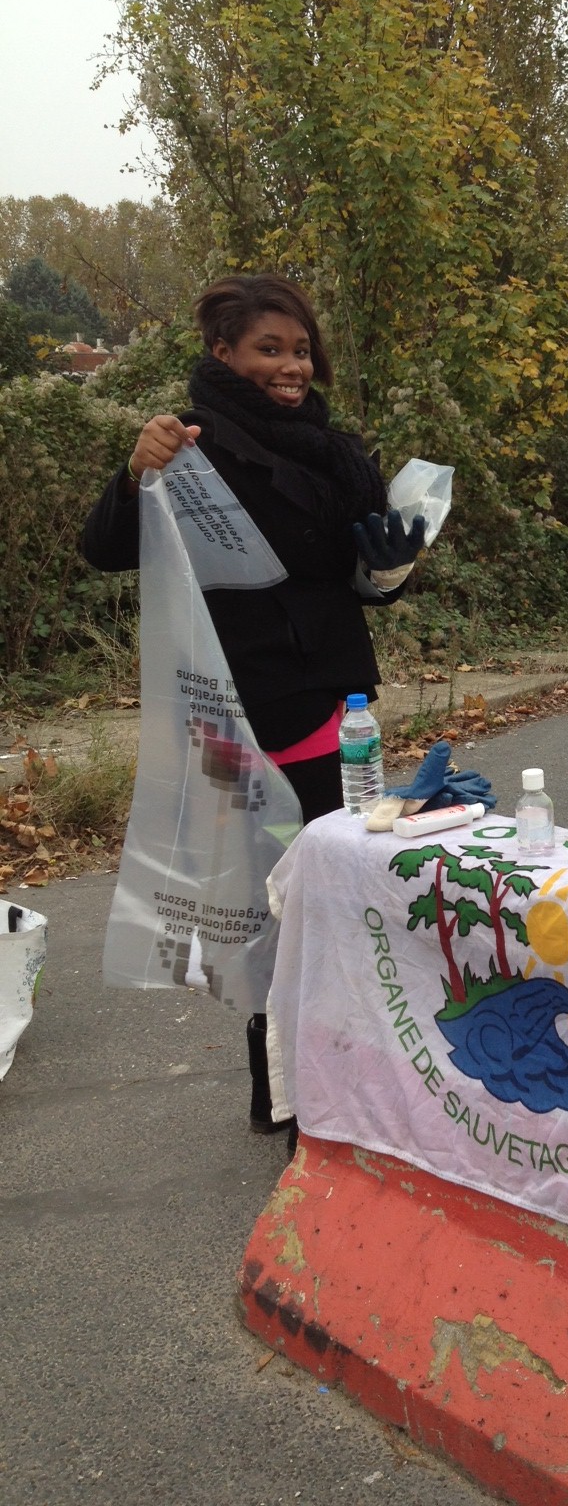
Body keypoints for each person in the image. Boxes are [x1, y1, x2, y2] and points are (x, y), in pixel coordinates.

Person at [81, 273, 426, 1132]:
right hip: (233, 711)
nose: (290, 366)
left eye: (300, 349)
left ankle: (347, 1089)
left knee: (342, 890)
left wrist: (391, 563)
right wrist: (133, 475)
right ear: (223, 353)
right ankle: (282, 1100)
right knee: (263, 910)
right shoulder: (188, 447)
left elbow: (371, 585)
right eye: (269, 348)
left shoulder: (342, 455)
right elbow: (107, 550)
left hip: (331, 707)